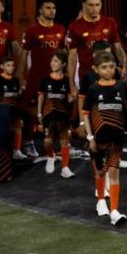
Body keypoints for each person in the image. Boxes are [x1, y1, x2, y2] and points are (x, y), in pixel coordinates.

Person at [79, 50, 127, 225]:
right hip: (98, 140)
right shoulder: (93, 89)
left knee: (114, 173)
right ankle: (101, 200)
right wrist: (90, 137)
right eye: (104, 67)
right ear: (96, 69)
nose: (108, 70)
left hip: (117, 139)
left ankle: (115, 210)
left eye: (111, 67)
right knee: (100, 172)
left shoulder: (121, 87)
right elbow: (85, 114)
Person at [21, 0, 67, 156]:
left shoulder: (60, 29)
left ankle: (56, 145)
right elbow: (23, 54)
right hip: (36, 78)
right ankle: (28, 141)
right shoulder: (32, 30)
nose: (52, 10)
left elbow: (63, 53)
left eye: (54, 7)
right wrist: (22, 77)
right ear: (40, 11)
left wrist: (65, 73)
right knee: (32, 111)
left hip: (55, 78)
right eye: (48, 8)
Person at [67, 0, 125, 93]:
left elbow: (118, 48)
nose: (95, 9)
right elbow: (72, 57)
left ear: (101, 4)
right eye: (91, 5)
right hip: (87, 76)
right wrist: (71, 85)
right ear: (84, 5)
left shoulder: (110, 23)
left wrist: (124, 67)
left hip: (110, 74)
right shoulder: (75, 26)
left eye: (97, 5)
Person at [36, 50, 74, 178]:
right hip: (48, 117)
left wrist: (72, 96)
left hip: (63, 117)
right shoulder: (45, 80)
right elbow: (41, 97)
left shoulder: (67, 80)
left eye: (56, 61)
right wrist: (39, 114)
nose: (52, 63)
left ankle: (65, 168)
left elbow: (70, 98)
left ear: (63, 64)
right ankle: (51, 156)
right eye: (52, 60)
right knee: (47, 141)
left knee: (65, 142)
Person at [0, 56, 24, 161]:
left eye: (13, 65)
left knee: (18, 127)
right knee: (4, 130)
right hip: (3, 110)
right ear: (2, 66)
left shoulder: (16, 80)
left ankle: (17, 151)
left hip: (15, 109)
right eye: (8, 65)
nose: (11, 68)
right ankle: (2, 152)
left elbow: (18, 96)